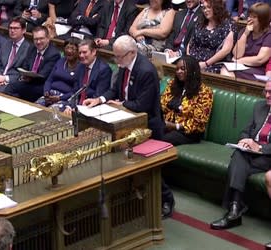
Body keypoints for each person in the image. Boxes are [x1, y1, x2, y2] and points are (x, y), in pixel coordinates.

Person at [210, 81, 271, 230]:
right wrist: (244, 141)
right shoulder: (260, 107)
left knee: (239, 160)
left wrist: (260, 147)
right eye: (266, 92)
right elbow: (246, 130)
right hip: (252, 153)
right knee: (239, 154)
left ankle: (234, 212)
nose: (267, 95)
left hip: (268, 156)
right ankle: (234, 209)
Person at [160, 55, 213, 218]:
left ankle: (165, 197)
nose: (179, 72)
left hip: (188, 133)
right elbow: (161, 104)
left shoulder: (204, 92)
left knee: (158, 145)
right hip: (167, 126)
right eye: (177, 69)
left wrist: (174, 125)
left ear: (193, 71)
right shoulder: (172, 84)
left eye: (183, 69)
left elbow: (199, 123)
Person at [83, 35, 164, 140]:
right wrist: (99, 99)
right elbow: (115, 90)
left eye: (119, 57)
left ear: (132, 53)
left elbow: (142, 105)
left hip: (146, 125)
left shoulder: (146, 71)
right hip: (125, 117)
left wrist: (122, 104)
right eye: (115, 56)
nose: (117, 60)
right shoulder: (125, 63)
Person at [4, 26, 61, 102]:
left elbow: (44, 75)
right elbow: (25, 65)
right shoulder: (32, 48)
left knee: (11, 89)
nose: (38, 42)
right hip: (27, 82)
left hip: (41, 85)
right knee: (11, 88)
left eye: (41, 38)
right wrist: (24, 75)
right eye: (36, 39)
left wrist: (29, 78)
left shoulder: (54, 54)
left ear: (48, 38)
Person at [220, 2, 271, 81]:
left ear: (262, 20)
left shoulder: (268, 35)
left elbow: (260, 59)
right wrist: (245, 34)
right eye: (249, 16)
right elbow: (237, 54)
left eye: (254, 17)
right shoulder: (245, 30)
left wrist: (239, 61)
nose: (249, 19)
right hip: (240, 67)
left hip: (256, 70)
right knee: (225, 70)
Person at [0, 16, 32, 93]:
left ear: (24, 30)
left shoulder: (28, 49)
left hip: (12, 83)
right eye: (11, 28)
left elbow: (24, 73)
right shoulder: (6, 44)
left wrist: (5, 78)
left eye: (16, 28)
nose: (12, 30)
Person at [64, 39, 112, 115]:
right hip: (78, 107)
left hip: (92, 109)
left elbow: (98, 96)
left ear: (93, 52)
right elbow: (75, 91)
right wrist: (70, 106)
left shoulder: (103, 70)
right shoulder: (80, 66)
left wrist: (80, 109)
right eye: (80, 53)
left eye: (84, 52)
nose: (81, 56)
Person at [187, 0, 235, 73]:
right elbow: (190, 43)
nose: (206, 10)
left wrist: (206, 64)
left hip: (213, 63)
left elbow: (225, 50)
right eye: (204, 8)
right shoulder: (200, 22)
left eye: (209, 7)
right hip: (194, 61)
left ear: (217, 8)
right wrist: (189, 59)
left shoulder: (228, 25)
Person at [36, 37, 81, 109]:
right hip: (51, 94)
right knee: (36, 107)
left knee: (52, 112)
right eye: (67, 48)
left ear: (79, 51)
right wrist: (46, 91)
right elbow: (49, 80)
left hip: (66, 98)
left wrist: (60, 98)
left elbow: (75, 92)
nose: (69, 51)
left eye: (72, 49)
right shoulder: (60, 61)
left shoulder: (81, 68)